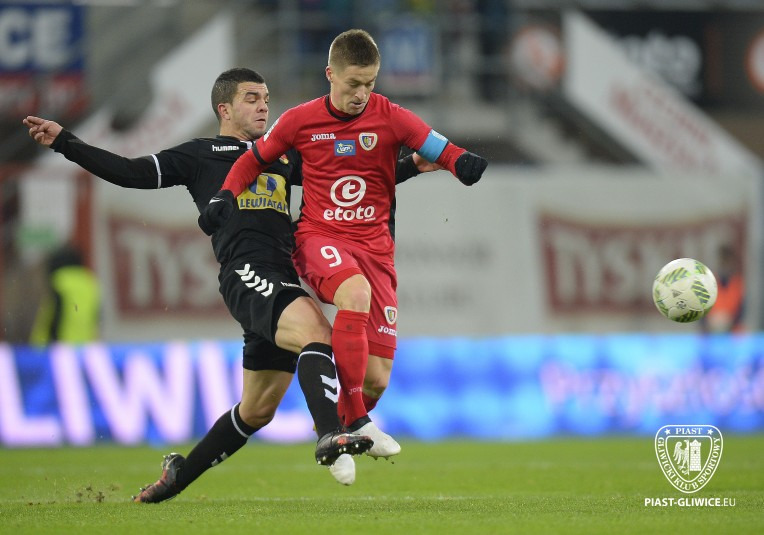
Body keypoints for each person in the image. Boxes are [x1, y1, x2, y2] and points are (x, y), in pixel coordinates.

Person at [23, 67, 432, 493]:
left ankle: (178, 477)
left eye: (266, 98)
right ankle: (331, 434)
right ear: (225, 108)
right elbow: (131, 172)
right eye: (251, 98)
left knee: (257, 410)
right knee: (319, 335)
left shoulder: (280, 154)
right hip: (246, 273)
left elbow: (346, 178)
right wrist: (66, 142)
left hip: (282, 277)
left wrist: (410, 166)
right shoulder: (200, 154)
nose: (263, 106)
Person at [200, 30, 488, 461]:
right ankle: (355, 422)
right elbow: (253, 159)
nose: (361, 94)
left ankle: (332, 430)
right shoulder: (299, 120)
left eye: (369, 83)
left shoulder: (391, 116)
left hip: (376, 249)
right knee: (354, 293)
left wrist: (461, 162)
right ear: (330, 74)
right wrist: (225, 195)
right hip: (320, 237)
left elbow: (436, 145)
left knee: (377, 378)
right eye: (353, 84)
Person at [29, 244, 101, 346]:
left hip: (58, 347)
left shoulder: (59, 281)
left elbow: (54, 316)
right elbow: (96, 318)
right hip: (84, 346)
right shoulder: (90, 283)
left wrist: (47, 343)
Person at [702, 244, 745, 333]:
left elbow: (742, 311)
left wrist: (730, 322)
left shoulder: (737, 284)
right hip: (710, 331)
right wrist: (710, 322)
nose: (724, 265)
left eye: (727, 261)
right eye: (722, 261)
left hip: (733, 331)